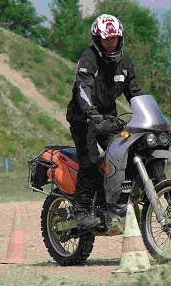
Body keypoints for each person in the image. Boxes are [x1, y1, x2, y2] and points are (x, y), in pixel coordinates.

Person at [66, 14, 144, 229]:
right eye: (106, 40)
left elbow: (135, 92)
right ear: (98, 40)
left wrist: (149, 114)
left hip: (109, 119)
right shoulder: (89, 58)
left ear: (120, 39)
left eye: (114, 39)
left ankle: (111, 204)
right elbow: (83, 88)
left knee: (123, 154)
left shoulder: (125, 62)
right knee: (90, 161)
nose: (111, 44)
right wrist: (91, 113)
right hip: (84, 119)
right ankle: (80, 210)